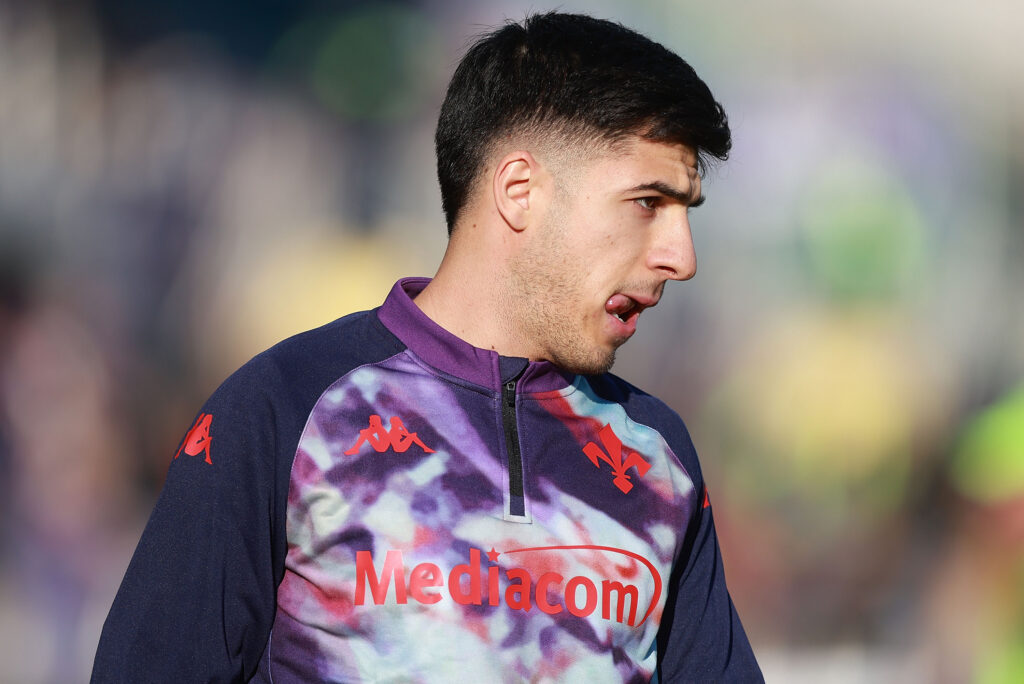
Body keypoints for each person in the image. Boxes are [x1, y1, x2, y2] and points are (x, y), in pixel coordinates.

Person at [92, 11, 762, 683]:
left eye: (686, 213)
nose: (681, 258)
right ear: (520, 192)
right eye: (648, 202)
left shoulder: (657, 455)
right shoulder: (283, 409)